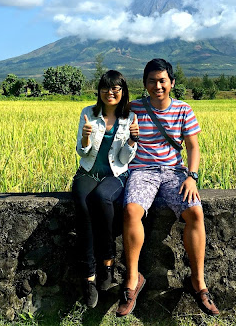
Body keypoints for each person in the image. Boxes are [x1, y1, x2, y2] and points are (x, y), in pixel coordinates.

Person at [116, 58, 220, 317]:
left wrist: (192, 176)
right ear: (145, 84)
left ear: (172, 83)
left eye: (162, 80)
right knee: (131, 210)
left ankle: (198, 282)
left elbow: (193, 146)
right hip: (142, 172)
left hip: (175, 173)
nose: (157, 86)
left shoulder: (184, 110)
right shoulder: (134, 108)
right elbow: (109, 119)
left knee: (195, 212)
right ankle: (132, 280)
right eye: (152, 81)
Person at [74, 70, 139, 308]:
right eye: (105, 88)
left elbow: (124, 159)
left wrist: (132, 140)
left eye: (115, 89)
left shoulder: (130, 117)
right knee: (83, 207)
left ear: (123, 91)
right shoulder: (88, 114)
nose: (109, 93)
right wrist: (84, 138)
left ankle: (108, 264)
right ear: (99, 91)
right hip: (89, 172)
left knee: (103, 197)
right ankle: (89, 277)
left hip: (116, 174)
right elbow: (82, 153)